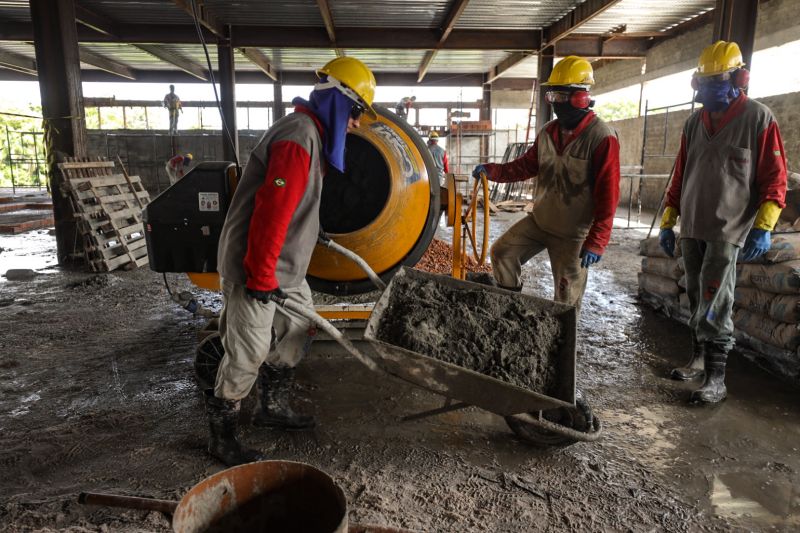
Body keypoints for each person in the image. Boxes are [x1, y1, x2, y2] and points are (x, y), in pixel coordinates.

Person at [202, 56, 377, 466]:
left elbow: (295, 206)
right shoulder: (298, 137)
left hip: (286, 265)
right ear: (339, 102)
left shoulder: (311, 133)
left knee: (299, 330)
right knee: (248, 350)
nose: (355, 124)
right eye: (355, 113)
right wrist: (261, 276)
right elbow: (271, 213)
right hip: (257, 266)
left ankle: (270, 407)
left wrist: (313, 232)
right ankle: (222, 436)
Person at [658, 41, 787, 404]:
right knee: (697, 295)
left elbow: (775, 180)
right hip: (694, 224)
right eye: (704, 83)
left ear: (739, 79)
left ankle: (716, 379)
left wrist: (763, 226)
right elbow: (680, 174)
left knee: (716, 301)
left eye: (717, 82)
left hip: (728, 230)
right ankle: (698, 358)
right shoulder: (692, 122)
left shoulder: (758, 119)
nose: (709, 91)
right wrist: (669, 221)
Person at [471, 56, 620, 312]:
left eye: (561, 97)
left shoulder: (601, 138)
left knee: (565, 297)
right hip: (540, 222)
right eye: (552, 97)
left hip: (573, 235)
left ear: (581, 97)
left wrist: (598, 239)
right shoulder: (548, 132)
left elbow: (609, 194)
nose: (555, 104)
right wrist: (492, 171)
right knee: (502, 253)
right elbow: (525, 166)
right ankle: (510, 311)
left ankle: (562, 342)